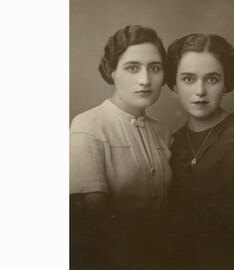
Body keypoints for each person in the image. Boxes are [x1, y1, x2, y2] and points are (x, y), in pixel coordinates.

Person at [70, 25, 172, 269]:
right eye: (132, 67)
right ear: (112, 71)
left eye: (154, 68)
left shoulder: (163, 132)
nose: (145, 80)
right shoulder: (89, 126)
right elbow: (94, 222)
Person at [164, 34, 234, 270]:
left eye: (212, 79)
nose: (200, 91)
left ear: (226, 83)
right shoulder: (171, 142)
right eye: (188, 79)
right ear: (173, 84)